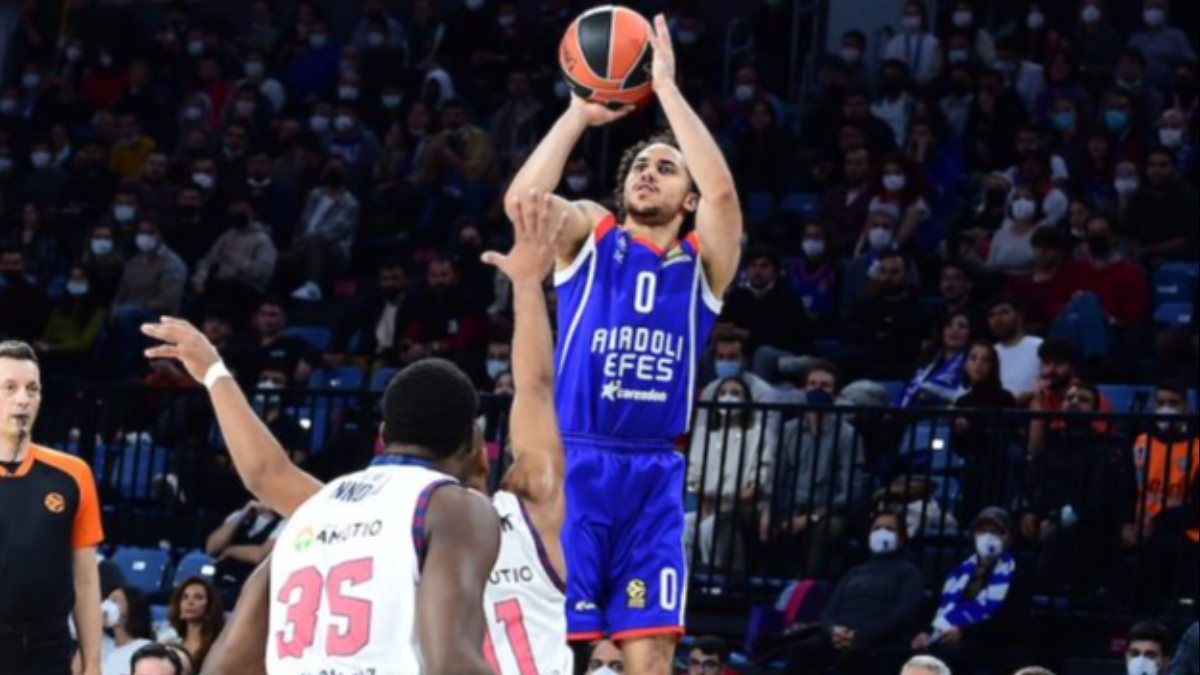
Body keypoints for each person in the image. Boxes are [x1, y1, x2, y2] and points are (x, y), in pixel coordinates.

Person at [142, 188, 574, 673]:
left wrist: (215, 372)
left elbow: (266, 474)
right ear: (480, 450)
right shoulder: (516, 511)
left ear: (384, 436)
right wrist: (527, 286)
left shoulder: (332, 513)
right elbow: (535, 391)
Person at [502, 17, 742, 671]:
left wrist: (665, 90)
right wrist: (578, 115)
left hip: (653, 473)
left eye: (666, 168)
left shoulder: (703, 267)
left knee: (653, 647)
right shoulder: (592, 234)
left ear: (688, 200)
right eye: (640, 165)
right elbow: (525, 200)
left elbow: (723, 192)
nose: (648, 173)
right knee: (563, 645)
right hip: (574, 460)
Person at [0, 341, 104, 675]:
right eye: (9, 387)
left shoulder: (73, 474)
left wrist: (93, 663)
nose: (23, 399)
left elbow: (86, 581)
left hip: (49, 649)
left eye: (32, 389)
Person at [763, 508, 925, 675]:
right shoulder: (855, 571)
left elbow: (902, 613)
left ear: (902, 538)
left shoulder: (909, 572)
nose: (881, 533)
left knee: (855, 655)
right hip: (838, 635)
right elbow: (829, 610)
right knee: (801, 650)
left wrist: (861, 635)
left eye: (889, 529)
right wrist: (833, 630)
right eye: (876, 528)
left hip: (876, 639)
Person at [1022, 381, 1134, 596]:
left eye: (1083, 400)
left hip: (1087, 526)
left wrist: (1056, 519)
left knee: (1062, 541)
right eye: (1069, 398)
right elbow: (1032, 483)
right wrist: (1028, 511)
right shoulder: (1050, 443)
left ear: (1095, 410)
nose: (1074, 402)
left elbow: (1094, 500)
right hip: (1044, 519)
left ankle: (1042, 602)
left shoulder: (1104, 448)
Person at [761, 361, 868, 577]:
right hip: (789, 506)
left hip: (827, 510)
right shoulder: (789, 430)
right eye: (812, 384)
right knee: (739, 517)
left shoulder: (847, 435)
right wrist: (767, 510)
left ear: (836, 394)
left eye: (825, 386)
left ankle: (807, 586)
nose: (818, 390)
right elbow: (776, 476)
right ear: (803, 390)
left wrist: (812, 516)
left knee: (826, 529)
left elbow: (851, 490)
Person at [910, 507, 1032, 674]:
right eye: (983, 531)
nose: (988, 537)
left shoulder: (1017, 575)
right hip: (944, 636)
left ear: (1009, 538)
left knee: (951, 656)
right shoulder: (958, 571)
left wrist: (964, 633)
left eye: (997, 532)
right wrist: (924, 632)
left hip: (986, 646)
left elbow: (1010, 623)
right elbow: (933, 605)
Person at [686, 376, 771, 572]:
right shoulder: (704, 433)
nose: (728, 397)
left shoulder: (757, 433)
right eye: (723, 393)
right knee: (684, 524)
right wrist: (704, 500)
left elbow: (758, 480)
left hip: (738, 506)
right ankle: (686, 577)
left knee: (711, 527)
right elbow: (693, 476)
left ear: (746, 400)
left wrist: (726, 503)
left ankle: (715, 579)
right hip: (706, 504)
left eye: (735, 393)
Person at [1124, 380, 1200, 599]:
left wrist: (1157, 522)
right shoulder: (1140, 441)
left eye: (1173, 403)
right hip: (1139, 525)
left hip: (1183, 530)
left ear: (1186, 408)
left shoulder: (1197, 447)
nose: (1166, 409)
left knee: (1161, 550)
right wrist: (1127, 523)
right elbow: (1126, 489)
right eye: (1161, 403)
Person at [719, 247, 814, 382]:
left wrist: (747, 335)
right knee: (712, 351)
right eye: (753, 266)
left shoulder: (788, 298)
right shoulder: (737, 296)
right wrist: (722, 331)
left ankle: (758, 394)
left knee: (763, 354)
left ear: (774, 271)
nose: (757, 271)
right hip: (744, 350)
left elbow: (787, 338)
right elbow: (724, 324)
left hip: (787, 354)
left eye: (764, 266)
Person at [109, 219, 188, 376]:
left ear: (160, 235)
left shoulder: (172, 263)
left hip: (158, 317)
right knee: (114, 315)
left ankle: (126, 370)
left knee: (127, 314)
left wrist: (136, 307)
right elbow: (121, 292)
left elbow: (168, 300)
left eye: (150, 232)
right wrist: (114, 308)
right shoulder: (133, 262)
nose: (144, 236)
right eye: (141, 232)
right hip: (128, 310)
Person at [281, 158, 359, 301]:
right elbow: (302, 223)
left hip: (335, 252)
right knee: (283, 259)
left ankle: (313, 286)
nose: (333, 170)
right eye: (330, 167)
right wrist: (298, 241)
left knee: (314, 238)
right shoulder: (315, 194)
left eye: (338, 168)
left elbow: (333, 232)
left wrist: (307, 240)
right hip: (306, 244)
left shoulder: (349, 202)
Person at [1122, 147, 1199, 264]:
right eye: (1152, 165)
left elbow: (1188, 239)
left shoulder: (1188, 196)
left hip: (1179, 260)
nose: (1156, 170)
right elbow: (1128, 233)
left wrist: (1148, 251)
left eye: (1163, 165)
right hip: (1142, 259)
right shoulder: (1138, 197)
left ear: (1173, 168)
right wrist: (1135, 251)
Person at [203, 500, 284, 606]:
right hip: (221, 577)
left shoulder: (283, 523)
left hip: (249, 585)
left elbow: (259, 555)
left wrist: (228, 550)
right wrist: (243, 514)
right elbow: (212, 547)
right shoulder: (240, 515)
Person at [898, 311, 971, 408]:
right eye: (948, 325)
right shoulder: (926, 359)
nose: (955, 330)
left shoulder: (971, 363)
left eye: (962, 326)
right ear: (942, 331)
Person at [987, 297, 1042, 403]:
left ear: (1019, 317)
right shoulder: (988, 352)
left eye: (1004, 312)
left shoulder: (1039, 346)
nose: (997, 319)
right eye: (992, 315)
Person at [162, 578, 224, 670]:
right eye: (185, 597)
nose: (190, 602)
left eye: (198, 597)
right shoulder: (170, 641)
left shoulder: (218, 645)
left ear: (209, 606)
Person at [883, 1, 942, 88]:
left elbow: (935, 70)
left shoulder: (933, 42)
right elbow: (889, 67)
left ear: (922, 17)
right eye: (907, 14)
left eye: (914, 14)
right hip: (898, 88)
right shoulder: (894, 42)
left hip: (925, 88)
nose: (910, 18)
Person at [99, 586, 153, 675]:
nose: (106, 605)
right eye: (107, 600)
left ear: (131, 607)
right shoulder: (102, 644)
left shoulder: (145, 648)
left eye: (114, 601)